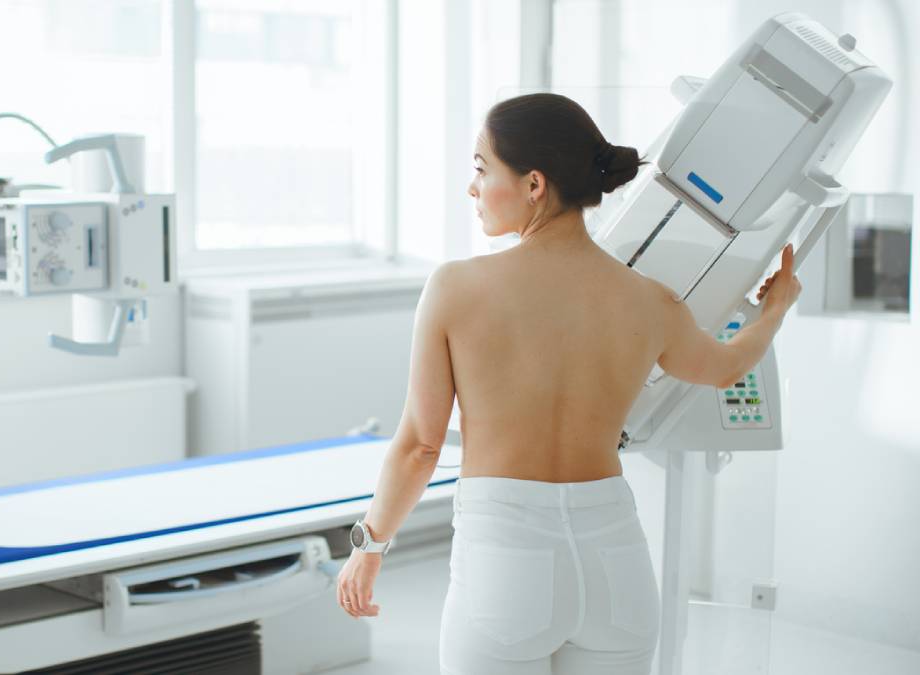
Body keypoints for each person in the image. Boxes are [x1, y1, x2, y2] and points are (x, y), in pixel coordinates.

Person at [334, 93, 802, 674]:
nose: (472, 188)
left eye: (481, 169)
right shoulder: (648, 300)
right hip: (617, 564)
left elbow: (420, 446)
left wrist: (369, 546)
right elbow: (726, 366)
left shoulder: (456, 288)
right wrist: (774, 310)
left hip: (505, 562)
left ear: (534, 184)